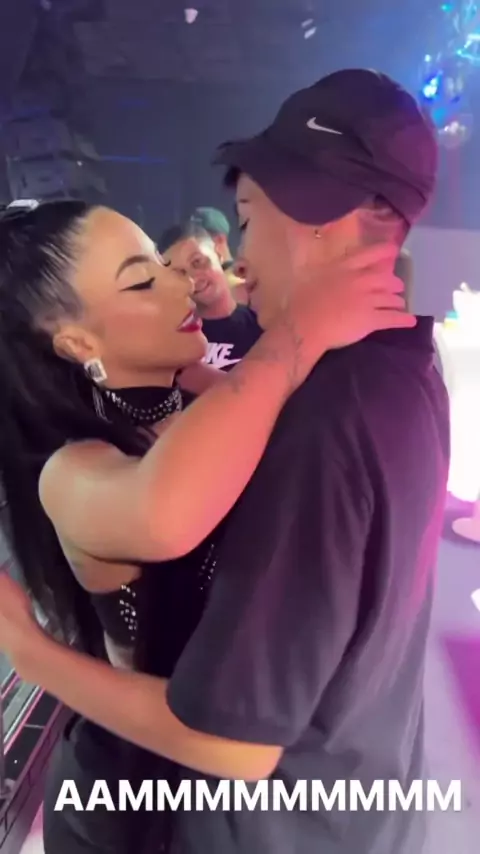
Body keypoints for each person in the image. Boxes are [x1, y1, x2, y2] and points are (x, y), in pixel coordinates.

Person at [0, 195, 410, 854]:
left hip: (232, 796)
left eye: (166, 265)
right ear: (78, 343)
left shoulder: (199, 405)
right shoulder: (74, 471)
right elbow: (166, 515)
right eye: (143, 280)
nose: (181, 283)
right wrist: (31, 654)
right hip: (135, 803)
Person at [159, 221, 261, 369]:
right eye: (181, 273)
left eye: (197, 262)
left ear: (218, 254)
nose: (193, 279)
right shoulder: (171, 342)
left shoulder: (262, 327)